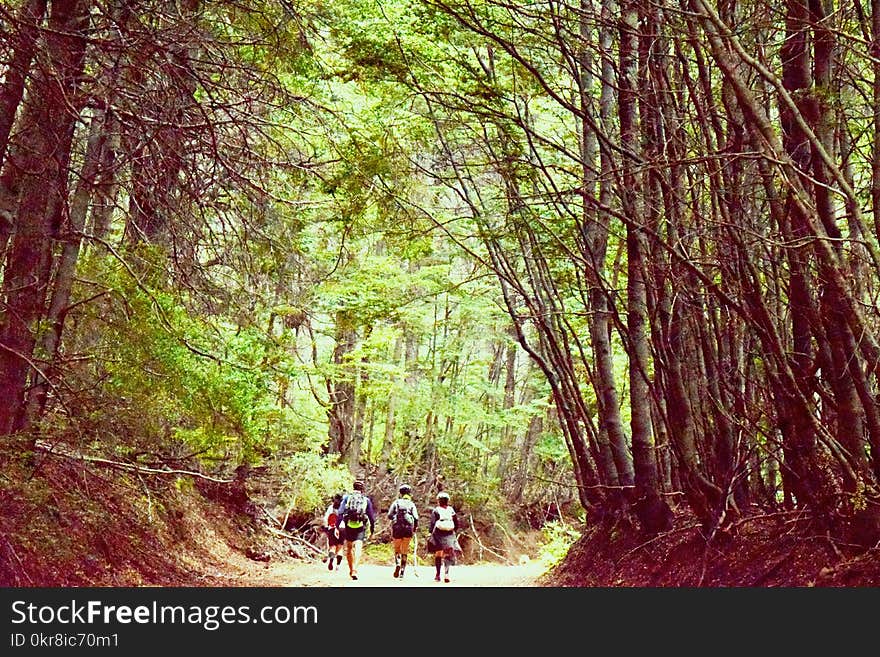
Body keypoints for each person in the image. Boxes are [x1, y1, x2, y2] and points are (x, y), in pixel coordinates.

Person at [338, 480, 376, 580]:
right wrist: (372, 528)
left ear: (353, 488)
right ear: (362, 489)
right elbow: (371, 516)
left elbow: (340, 512)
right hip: (360, 526)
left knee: (349, 548)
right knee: (358, 547)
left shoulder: (347, 498)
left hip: (349, 525)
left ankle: (351, 570)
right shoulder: (365, 500)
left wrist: (339, 525)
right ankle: (355, 569)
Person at [387, 483, 419, 579]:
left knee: (397, 548)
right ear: (409, 493)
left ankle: (397, 563)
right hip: (408, 528)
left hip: (397, 527)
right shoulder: (411, 504)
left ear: (400, 493)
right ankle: (402, 571)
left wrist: (394, 518)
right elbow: (416, 518)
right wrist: (414, 528)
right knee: (404, 549)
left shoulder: (396, 503)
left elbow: (389, 515)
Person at [428, 490, 459, 583]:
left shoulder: (436, 510)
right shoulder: (451, 510)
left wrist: (430, 533)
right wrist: (454, 531)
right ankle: (446, 574)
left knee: (438, 553)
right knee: (447, 553)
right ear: (447, 501)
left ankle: (437, 575)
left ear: (439, 500)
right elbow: (456, 522)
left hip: (439, 533)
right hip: (449, 533)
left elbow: (433, 523)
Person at [322, 493, 344, 571]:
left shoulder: (331, 507)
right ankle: (338, 566)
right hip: (342, 529)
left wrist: (326, 527)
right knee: (340, 548)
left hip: (332, 528)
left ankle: (331, 559)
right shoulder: (344, 508)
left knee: (332, 547)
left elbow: (325, 519)